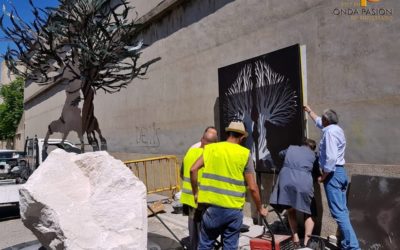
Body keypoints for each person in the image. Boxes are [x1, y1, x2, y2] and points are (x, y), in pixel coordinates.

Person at [190, 121, 268, 249]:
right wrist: (260, 209)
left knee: (205, 245)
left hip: (211, 209)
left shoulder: (211, 148)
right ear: (242, 137)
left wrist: (196, 193)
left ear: (227, 133)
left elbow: (193, 169)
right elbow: (253, 188)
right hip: (233, 210)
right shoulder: (244, 154)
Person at [304, 105, 360, 250]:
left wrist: (323, 177)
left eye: (322, 119)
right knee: (343, 212)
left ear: (326, 120)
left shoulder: (329, 133)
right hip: (340, 173)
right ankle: (348, 243)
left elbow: (331, 159)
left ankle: (353, 247)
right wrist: (309, 111)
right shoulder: (335, 129)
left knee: (338, 213)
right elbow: (318, 122)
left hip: (333, 175)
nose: (320, 120)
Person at [269, 139, 319, 248]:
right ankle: (306, 243)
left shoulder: (291, 148)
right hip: (303, 183)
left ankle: (295, 239)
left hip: (286, 182)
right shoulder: (314, 156)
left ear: (302, 145)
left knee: (291, 209)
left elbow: (280, 154)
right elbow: (316, 173)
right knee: (310, 212)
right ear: (313, 148)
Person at [180, 127, 218, 250]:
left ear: (202, 139)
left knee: (193, 226)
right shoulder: (208, 156)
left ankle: (193, 246)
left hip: (188, 197)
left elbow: (182, 173)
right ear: (213, 144)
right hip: (201, 198)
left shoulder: (190, 152)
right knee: (203, 230)